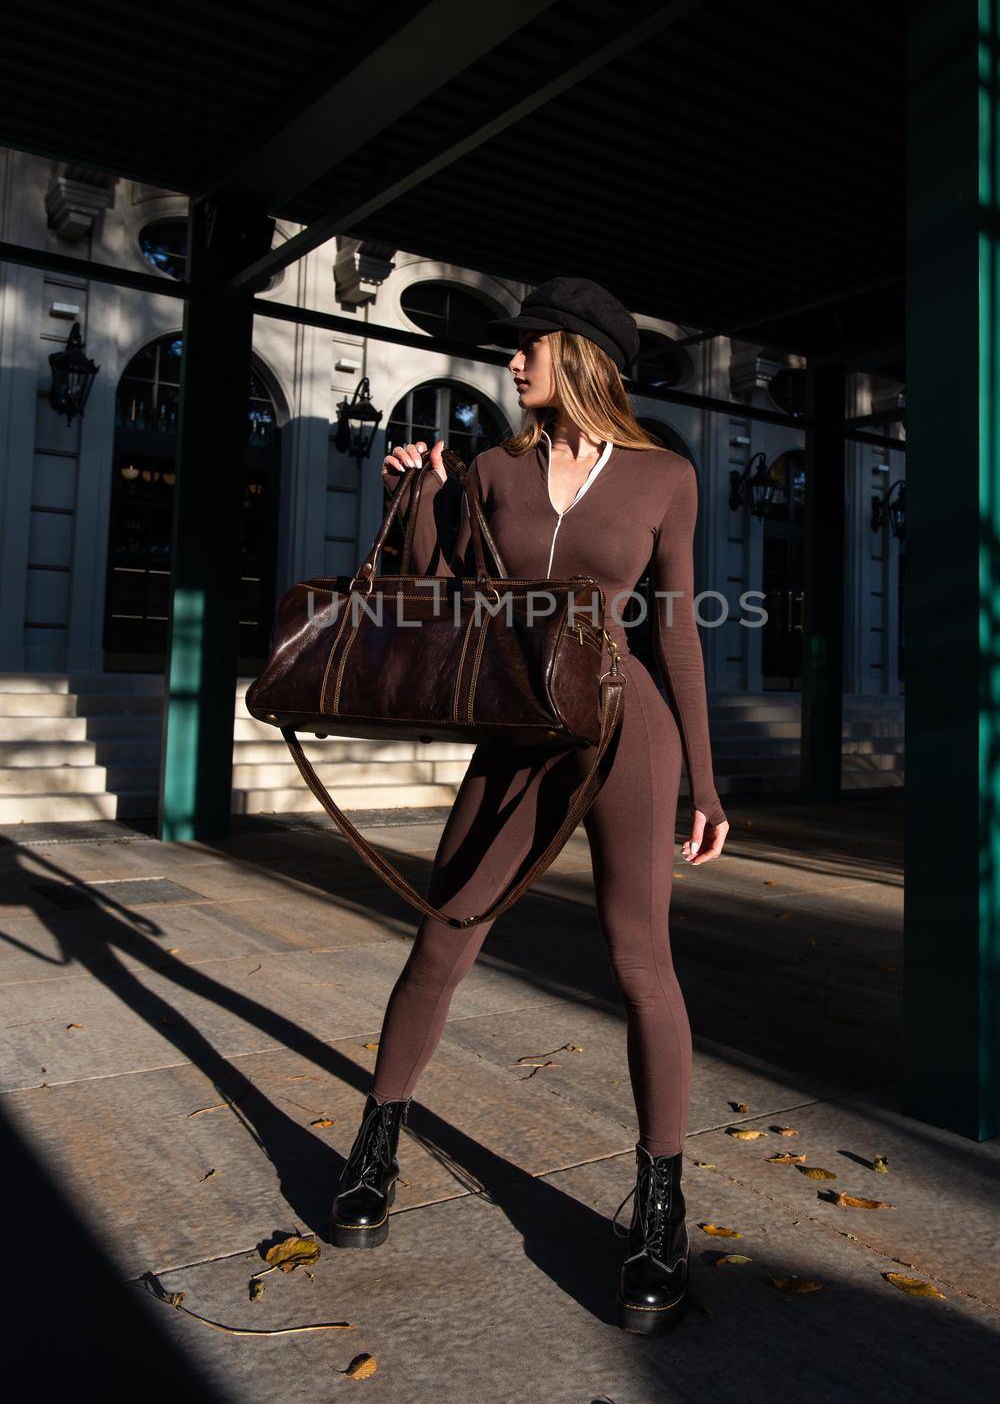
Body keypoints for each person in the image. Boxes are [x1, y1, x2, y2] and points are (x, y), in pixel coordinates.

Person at [329, 277, 729, 1336]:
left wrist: (705, 774)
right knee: (442, 936)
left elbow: (677, 631)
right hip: (515, 730)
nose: (510, 363)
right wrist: (411, 496)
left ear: (583, 353)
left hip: (626, 732)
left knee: (641, 964)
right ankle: (375, 1150)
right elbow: (437, 592)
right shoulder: (494, 469)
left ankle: (658, 1210)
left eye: (527, 347)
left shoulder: (665, 478)